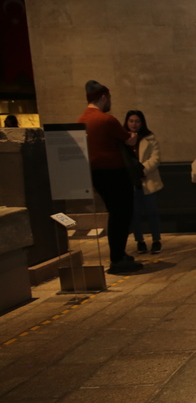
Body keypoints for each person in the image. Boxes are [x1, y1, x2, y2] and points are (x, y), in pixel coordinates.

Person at [78, 80, 143, 274]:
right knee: (121, 214)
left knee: (115, 213)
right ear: (104, 97)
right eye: (110, 98)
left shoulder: (82, 119)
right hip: (115, 172)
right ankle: (117, 258)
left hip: (95, 173)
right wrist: (133, 136)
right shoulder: (106, 119)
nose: (110, 102)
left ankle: (119, 254)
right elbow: (129, 139)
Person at [124, 110, 163, 254]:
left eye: (137, 121)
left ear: (142, 123)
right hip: (131, 182)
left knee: (152, 212)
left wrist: (141, 170)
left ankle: (156, 240)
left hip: (147, 179)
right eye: (131, 121)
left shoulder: (150, 137)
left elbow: (155, 158)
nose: (134, 124)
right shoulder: (123, 139)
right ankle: (139, 241)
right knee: (135, 213)